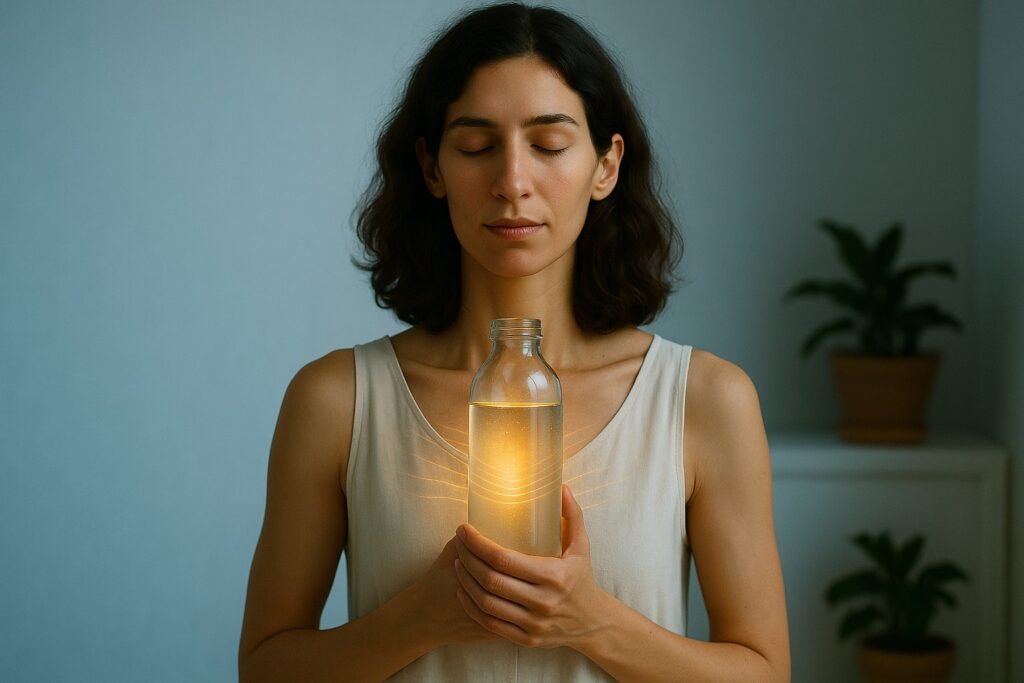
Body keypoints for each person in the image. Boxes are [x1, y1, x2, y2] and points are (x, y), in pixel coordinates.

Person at [238, 3, 790, 681]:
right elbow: (265, 668)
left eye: (550, 145)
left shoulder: (706, 399)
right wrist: (422, 617)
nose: (512, 183)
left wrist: (594, 620)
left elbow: (764, 672)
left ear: (606, 165)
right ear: (432, 168)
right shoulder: (335, 402)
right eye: (476, 147)